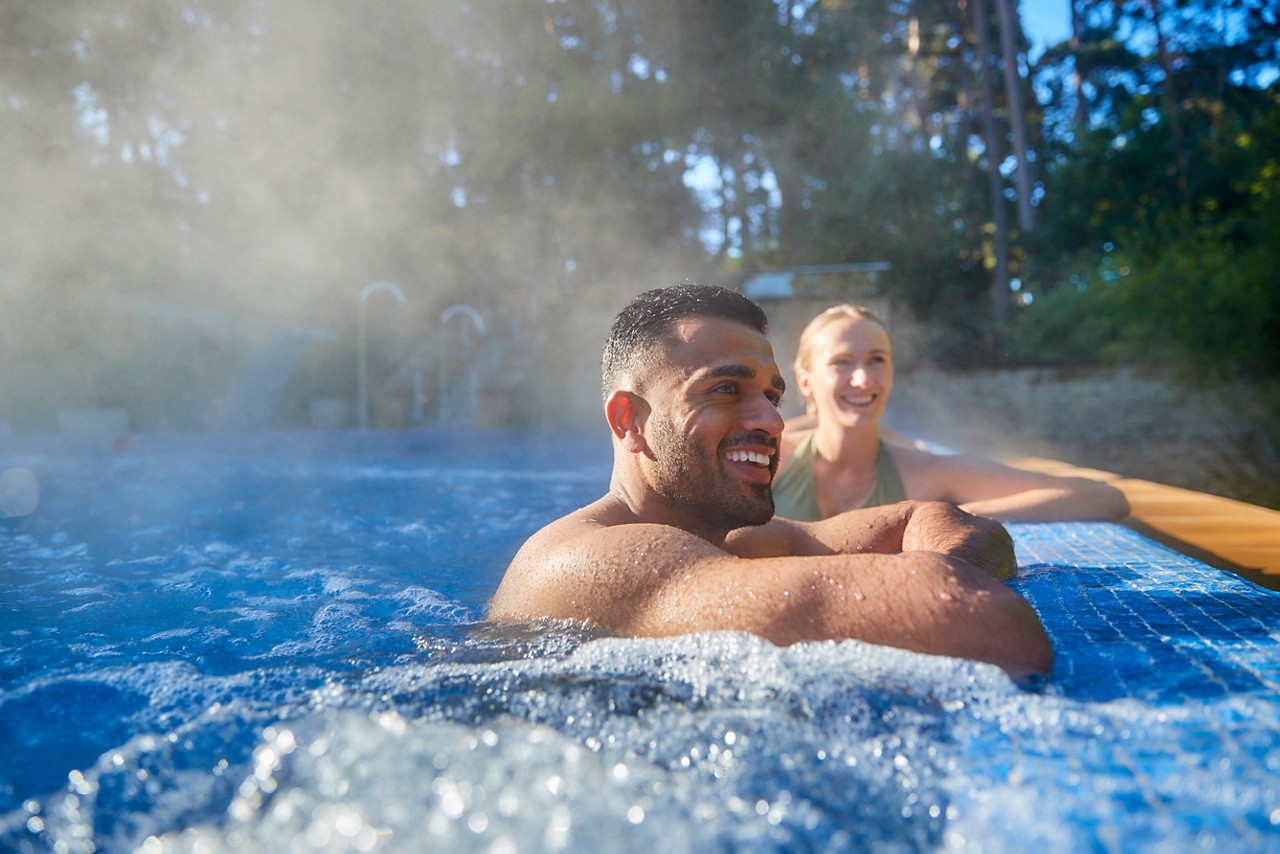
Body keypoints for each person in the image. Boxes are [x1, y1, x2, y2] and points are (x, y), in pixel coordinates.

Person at [488, 285, 1053, 678]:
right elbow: (983, 621)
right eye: (726, 390)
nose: (772, 421)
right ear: (627, 420)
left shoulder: (728, 539)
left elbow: (930, 519)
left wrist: (947, 563)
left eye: (772, 395)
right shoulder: (600, 559)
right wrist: (943, 575)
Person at [773, 305, 1130, 522]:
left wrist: (950, 514)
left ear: (892, 372)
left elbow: (1104, 498)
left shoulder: (923, 473)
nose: (863, 378)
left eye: (876, 360)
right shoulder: (774, 461)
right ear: (805, 381)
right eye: (842, 362)